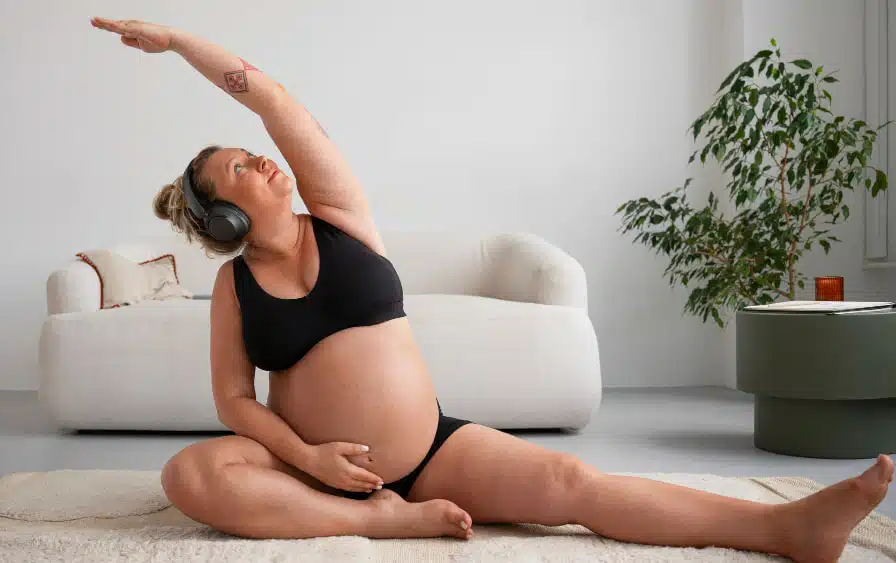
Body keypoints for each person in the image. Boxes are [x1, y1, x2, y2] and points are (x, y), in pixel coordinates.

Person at [90, 17, 892, 562]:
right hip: (310, 476)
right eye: (237, 167)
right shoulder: (235, 286)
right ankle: (378, 524)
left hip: (433, 452)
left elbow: (269, 97)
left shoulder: (340, 215)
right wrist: (307, 459)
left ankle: (784, 529)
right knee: (189, 476)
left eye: (250, 154)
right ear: (223, 215)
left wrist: (179, 43)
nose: (259, 162)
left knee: (574, 486)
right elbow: (235, 401)